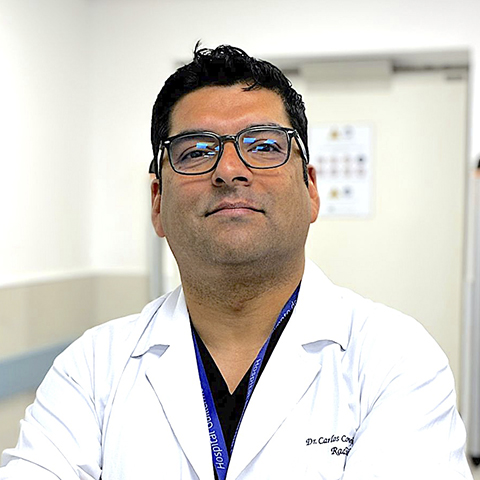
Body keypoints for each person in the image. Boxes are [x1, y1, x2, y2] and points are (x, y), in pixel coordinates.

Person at [0, 45, 473, 480]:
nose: (229, 170)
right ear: (157, 202)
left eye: (264, 146)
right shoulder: (90, 369)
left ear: (311, 190)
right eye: (196, 151)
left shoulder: (396, 359)